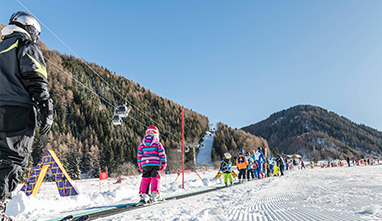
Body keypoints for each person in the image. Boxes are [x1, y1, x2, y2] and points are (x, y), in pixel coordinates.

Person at [0, 11, 53, 220]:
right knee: (11, 158)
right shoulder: (25, 46)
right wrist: (45, 107)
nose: (36, 38)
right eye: (35, 33)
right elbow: (35, 76)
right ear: (28, 28)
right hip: (17, 110)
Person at [137, 126, 167, 203]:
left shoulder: (142, 144)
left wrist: (140, 165)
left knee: (145, 179)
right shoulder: (157, 143)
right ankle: (155, 194)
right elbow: (162, 153)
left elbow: (139, 156)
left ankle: (143, 194)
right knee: (155, 178)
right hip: (155, 164)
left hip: (145, 164)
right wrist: (163, 163)